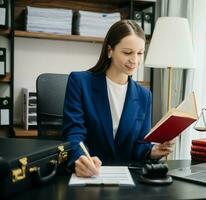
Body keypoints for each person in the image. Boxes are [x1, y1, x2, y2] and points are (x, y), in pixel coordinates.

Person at [63, 20, 175, 177]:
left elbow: (139, 145)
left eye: (140, 53)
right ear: (110, 50)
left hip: (127, 180)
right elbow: (74, 133)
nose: (135, 60)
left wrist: (153, 151)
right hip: (89, 176)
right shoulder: (80, 82)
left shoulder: (144, 96)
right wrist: (79, 158)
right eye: (128, 53)